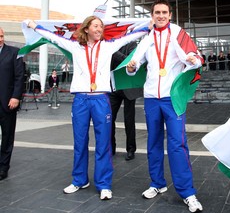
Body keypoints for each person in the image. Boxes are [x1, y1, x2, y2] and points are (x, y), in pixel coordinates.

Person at [25, 16, 149, 200]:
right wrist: (34, 26)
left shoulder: (108, 46)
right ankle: (79, 180)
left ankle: (104, 184)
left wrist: (149, 26)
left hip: (100, 99)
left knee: (103, 142)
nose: (100, 29)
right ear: (86, 29)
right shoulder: (75, 47)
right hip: (81, 100)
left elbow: (130, 36)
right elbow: (53, 37)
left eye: (101, 26)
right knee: (80, 141)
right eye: (96, 26)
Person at [126, 0, 203, 213]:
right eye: (157, 13)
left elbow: (197, 58)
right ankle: (157, 183)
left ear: (170, 15)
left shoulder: (178, 33)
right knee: (153, 142)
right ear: (152, 16)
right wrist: (131, 67)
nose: (160, 16)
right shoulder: (147, 37)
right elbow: (134, 65)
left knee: (178, 144)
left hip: (172, 98)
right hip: (151, 98)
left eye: (164, 12)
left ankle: (188, 193)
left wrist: (190, 58)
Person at [109, 42, 143, 160]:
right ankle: (110, 148)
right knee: (109, 119)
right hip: (113, 87)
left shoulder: (132, 44)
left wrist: (113, 50)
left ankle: (131, 149)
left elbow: (128, 61)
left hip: (128, 87)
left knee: (129, 120)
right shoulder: (110, 43)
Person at [0, 27, 24, 181]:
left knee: (7, 137)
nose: (0, 39)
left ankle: (3, 168)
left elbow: (19, 77)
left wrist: (16, 97)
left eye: (1, 35)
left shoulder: (15, 52)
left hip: (7, 103)